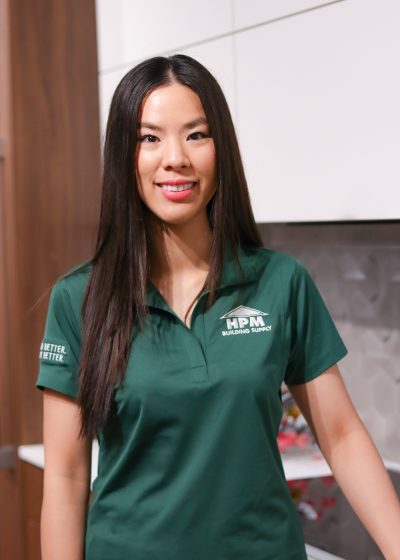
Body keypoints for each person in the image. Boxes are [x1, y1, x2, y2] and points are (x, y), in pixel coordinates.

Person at [36, 54, 400, 560]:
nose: (175, 158)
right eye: (149, 138)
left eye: (196, 135)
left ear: (220, 147)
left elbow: (341, 436)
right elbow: (66, 475)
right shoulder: (79, 298)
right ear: (123, 155)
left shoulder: (280, 282)